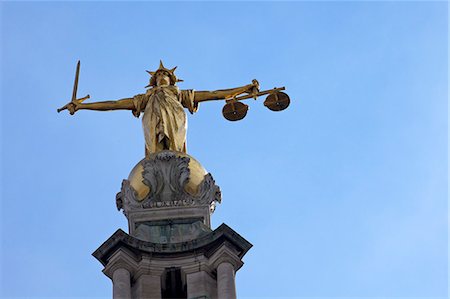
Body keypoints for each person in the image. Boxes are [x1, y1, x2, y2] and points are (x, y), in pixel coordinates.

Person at [62, 61, 259, 156]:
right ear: (153, 80)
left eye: (165, 74)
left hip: (175, 120)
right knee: (155, 157)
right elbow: (115, 104)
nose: (161, 76)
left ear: (172, 79)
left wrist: (242, 89)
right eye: (158, 75)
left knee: (175, 155)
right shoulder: (146, 98)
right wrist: (83, 106)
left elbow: (214, 93)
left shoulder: (179, 94)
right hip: (151, 121)